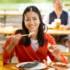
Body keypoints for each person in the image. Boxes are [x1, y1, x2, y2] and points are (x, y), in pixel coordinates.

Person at [3, 6, 68, 65]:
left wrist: (58, 56)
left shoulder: (48, 38)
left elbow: (63, 64)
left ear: (40, 20)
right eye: (27, 19)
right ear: (24, 22)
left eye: (34, 19)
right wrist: (11, 45)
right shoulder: (16, 36)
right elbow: (4, 61)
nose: (31, 23)